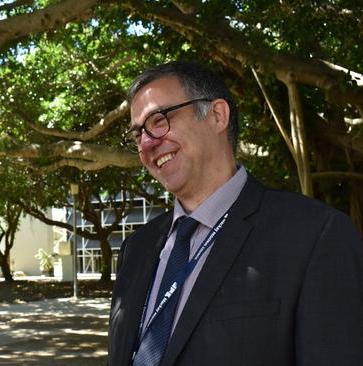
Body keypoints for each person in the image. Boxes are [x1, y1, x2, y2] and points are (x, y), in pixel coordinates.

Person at [108, 61, 363, 366]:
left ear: (217, 115)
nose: (147, 143)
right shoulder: (136, 249)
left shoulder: (315, 237)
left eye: (159, 120)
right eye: (137, 135)